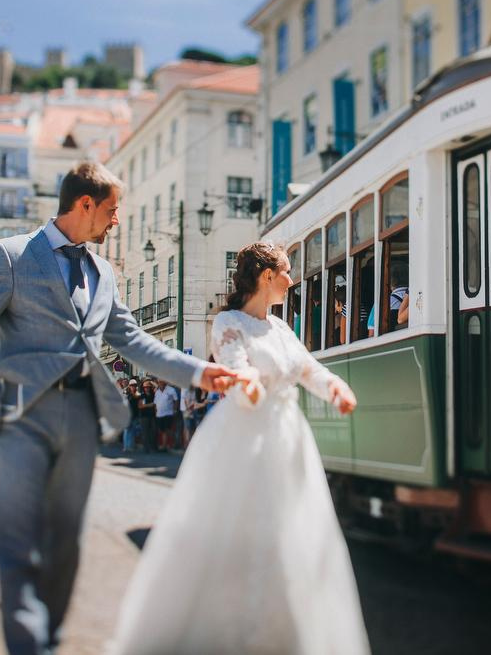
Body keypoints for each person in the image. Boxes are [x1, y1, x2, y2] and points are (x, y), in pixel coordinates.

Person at [0, 161, 238, 655]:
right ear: (84, 204)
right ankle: (30, 647)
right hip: (23, 414)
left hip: (82, 416)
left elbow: (133, 341)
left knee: (66, 542)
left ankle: (48, 635)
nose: (117, 221)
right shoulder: (10, 256)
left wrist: (199, 372)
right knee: (19, 538)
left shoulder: (104, 272)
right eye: (112, 211)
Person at [110, 242, 368, 655]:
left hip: (287, 437)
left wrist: (334, 387)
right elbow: (235, 366)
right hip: (245, 436)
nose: (291, 278)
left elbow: (306, 368)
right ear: (268, 276)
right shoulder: (228, 322)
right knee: (239, 528)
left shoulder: (281, 328)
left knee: (290, 531)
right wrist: (246, 383)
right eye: (287, 271)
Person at [154, 377, 179, 450]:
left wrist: (175, 410)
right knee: (162, 430)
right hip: (159, 414)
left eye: (162, 382)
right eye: (159, 382)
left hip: (168, 413)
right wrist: (155, 412)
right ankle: (166, 444)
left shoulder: (171, 390)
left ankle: (168, 445)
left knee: (167, 430)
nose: (161, 383)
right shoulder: (157, 391)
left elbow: (176, 400)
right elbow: (155, 403)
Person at [137, 379, 158, 453]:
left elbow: (157, 387)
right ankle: (146, 448)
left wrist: (151, 381)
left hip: (152, 415)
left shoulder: (153, 394)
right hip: (144, 416)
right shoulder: (142, 396)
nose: (147, 388)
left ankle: (153, 447)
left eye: (148, 387)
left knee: (153, 431)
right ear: (143, 388)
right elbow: (140, 406)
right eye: (146, 387)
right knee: (145, 432)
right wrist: (150, 405)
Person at [122, 379, 141, 453]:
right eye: (132, 385)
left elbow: (139, 405)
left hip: (135, 415)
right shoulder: (126, 394)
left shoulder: (138, 395)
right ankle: (126, 446)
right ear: (129, 386)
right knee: (127, 431)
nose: (133, 387)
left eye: (135, 385)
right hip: (127, 415)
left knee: (132, 431)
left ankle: (130, 446)